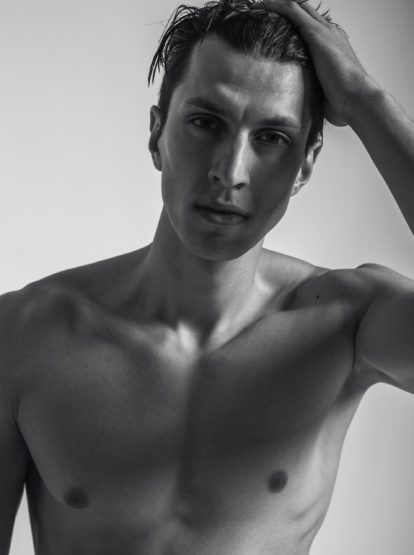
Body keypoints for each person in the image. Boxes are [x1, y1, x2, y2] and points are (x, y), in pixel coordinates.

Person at [1, 0, 413, 553]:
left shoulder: (348, 324)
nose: (230, 172)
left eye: (271, 137)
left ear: (306, 164)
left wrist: (365, 99)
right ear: (157, 135)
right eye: (206, 123)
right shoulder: (22, 336)